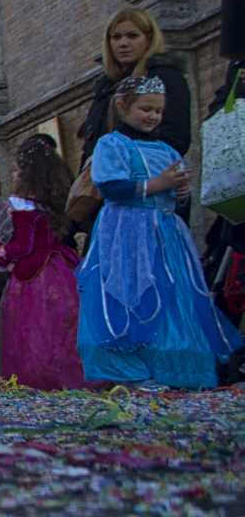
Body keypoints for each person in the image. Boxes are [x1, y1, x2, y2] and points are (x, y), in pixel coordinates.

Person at [77, 75, 241, 388]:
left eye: (157, 111)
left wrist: (179, 193)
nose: (152, 116)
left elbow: (178, 194)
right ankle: (131, 369)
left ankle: (172, 368)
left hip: (164, 234)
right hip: (126, 233)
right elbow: (111, 186)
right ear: (123, 107)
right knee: (131, 294)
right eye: (145, 109)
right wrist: (157, 185)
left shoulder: (167, 149)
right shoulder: (112, 144)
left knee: (172, 294)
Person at [0, 137, 84, 391]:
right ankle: (69, 373)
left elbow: (21, 246)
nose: (14, 174)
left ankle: (37, 376)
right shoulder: (53, 200)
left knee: (32, 328)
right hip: (61, 266)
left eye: (17, 169)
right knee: (63, 325)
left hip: (35, 274)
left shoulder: (22, 204)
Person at [79, 8, 193, 161]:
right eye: (116, 37)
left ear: (149, 39)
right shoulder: (105, 88)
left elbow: (175, 135)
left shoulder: (165, 77)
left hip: (146, 173)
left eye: (132, 36)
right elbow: (91, 145)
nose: (123, 43)